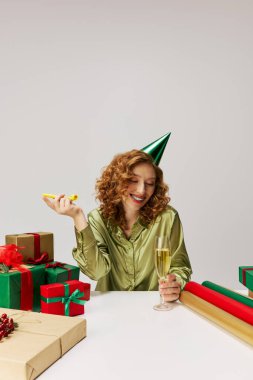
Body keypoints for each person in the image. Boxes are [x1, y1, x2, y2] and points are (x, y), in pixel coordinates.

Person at [43, 149, 192, 302]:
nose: (142, 190)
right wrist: (77, 217)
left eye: (149, 183)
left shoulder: (167, 218)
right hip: (111, 308)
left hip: (154, 306)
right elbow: (96, 271)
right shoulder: (98, 218)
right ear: (118, 181)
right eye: (134, 180)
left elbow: (180, 267)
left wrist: (175, 283)